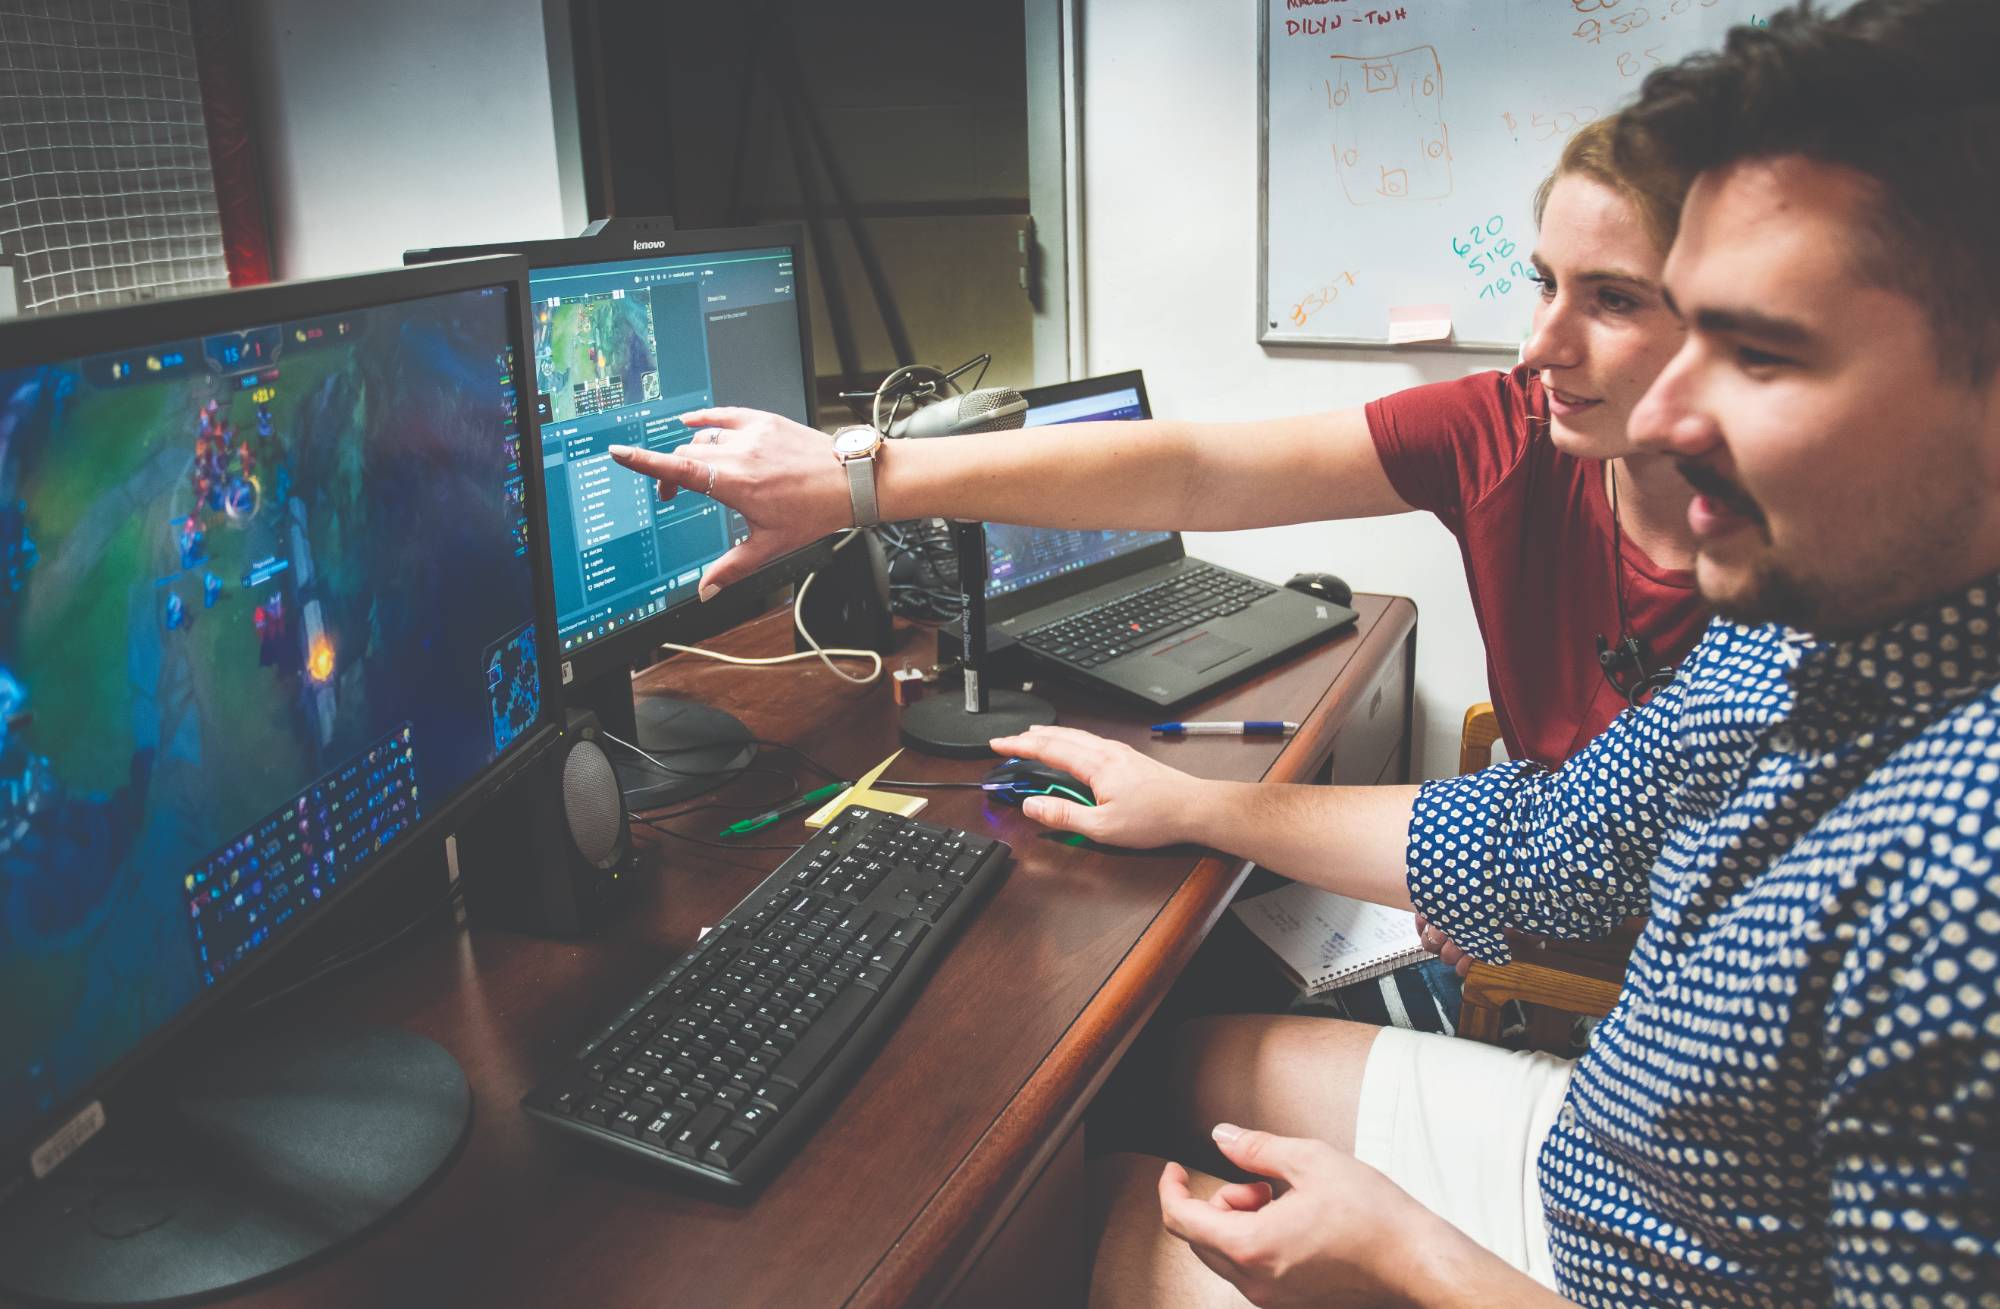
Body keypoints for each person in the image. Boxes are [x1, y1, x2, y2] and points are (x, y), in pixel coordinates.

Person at [1011, 1, 2000, 1302]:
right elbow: (1540, 838)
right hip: (1619, 1152)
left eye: (1760, 353)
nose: (1673, 412)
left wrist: (1401, 1249)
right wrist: (1195, 804)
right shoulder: (1797, 623)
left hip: (1648, 1267)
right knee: (1148, 1073)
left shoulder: (1963, 884)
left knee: (1122, 1236)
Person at [610, 116, 1708, 775]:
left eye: (1608, 300)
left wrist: (1471, 875)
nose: (1537, 346)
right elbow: (1196, 469)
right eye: (1540, 285)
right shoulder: (1502, 428)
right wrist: (864, 480)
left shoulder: (1807, 561)